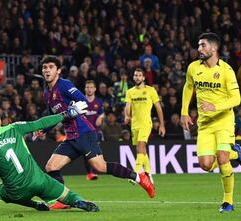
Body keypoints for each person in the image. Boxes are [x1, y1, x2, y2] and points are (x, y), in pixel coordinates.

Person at [39, 55, 154, 210]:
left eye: (50, 67)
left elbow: (83, 102)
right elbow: (52, 114)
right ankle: (62, 199)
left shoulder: (64, 85)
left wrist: (71, 112)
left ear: (58, 71)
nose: (47, 70)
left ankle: (140, 178)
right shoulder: (47, 92)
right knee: (51, 166)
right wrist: (43, 129)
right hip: (71, 137)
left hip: (84, 133)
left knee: (100, 167)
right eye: (44, 67)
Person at [0, 104, 100, 214]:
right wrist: (65, 114)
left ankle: (35, 205)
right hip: (39, 181)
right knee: (68, 195)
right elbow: (40, 123)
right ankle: (79, 202)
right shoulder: (14, 128)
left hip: (17, 192)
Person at [181, 32, 241, 213]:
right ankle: (236, 152)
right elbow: (188, 87)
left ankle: (228, 201)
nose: (199, 49)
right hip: (204, 124)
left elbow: (236, 98)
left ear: (214, 48)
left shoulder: (226, 70)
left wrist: (216, 106)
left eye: (202, 45)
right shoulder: (193, 68)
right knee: (205, 164)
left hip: (224, 121)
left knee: (222, 157)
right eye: (198, 45)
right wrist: (184, 112)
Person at [124, 68, 166, 183]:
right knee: (141, 150)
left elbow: (158, 108)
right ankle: (148, 174)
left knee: (140, 146)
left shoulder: (151, 90)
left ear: (143, 78)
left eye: (139, 75)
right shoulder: (130, 92)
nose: (137, 77)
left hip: (146, 124)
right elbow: (127, 107)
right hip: (134, 125)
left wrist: (162, 125)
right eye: (135, 75)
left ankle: (135, 173)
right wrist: (127, 116)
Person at [83, 80, 104, 180]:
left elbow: (102, 112)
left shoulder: (99, 102)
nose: (89, 89)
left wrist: (101, 117)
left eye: (91, 87)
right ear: (85, 89)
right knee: (86, 152)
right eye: (87, 87)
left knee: (95, 152)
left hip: (95, 131)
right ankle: (89, 173)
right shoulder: (81, 101)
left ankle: (93, 172)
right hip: (84, 131)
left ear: (95, 89)